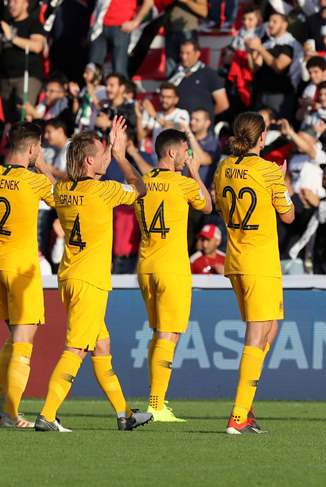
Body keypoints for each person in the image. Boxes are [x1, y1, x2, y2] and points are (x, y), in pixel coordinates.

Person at [35, 117, 153, 432]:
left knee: (102, 346)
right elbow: (141, 188)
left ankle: (124, 415)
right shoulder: (105, 191)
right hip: (91, 281)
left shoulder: (63, 191)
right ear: (90, 160)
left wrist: (41, 164)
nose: (106, 157)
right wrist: (121, 155)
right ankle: (47, 415)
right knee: (76, 348)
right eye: (102, 153)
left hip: (69, 277)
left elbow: (52, 185)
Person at [213, 112, 295, 434]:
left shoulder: (223, 168)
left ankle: (247, 405)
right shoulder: (268, 171)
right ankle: (237, 416)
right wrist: (282, 182)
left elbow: (219, 207)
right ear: (261, 138)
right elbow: (288, 215)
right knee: (257, 335)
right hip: (261, 262)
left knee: (270, 329)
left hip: (236, 259)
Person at [0, 122, 55, 428]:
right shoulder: (32, 180)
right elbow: (60, 198)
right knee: (25, 339)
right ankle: (11, 412)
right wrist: (43, 166)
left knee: (15, 334)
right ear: (33, 149)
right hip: (22, 268)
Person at [136, 129, 212, 422]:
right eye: (184, 150)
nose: (187, 155)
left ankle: (156, 399)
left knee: (159, 333)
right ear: (172, 153)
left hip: (146, 265)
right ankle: (156, 403)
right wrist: (195, 173)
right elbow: (207, 205)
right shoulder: (182, 184)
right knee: (170, 334)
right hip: (172, 267)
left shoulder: (142, 182)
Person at [0, 0, 44, 124]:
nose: (11, 5)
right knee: (10, 119)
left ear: (26, 4)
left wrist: (12, 38)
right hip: (6, 78)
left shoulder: (33, 23)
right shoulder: (5, 25)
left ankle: (26, 143)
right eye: (10, 2)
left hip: (26, 77)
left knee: (24, 116)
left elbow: (37, 46)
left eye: (16, 2)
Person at [89, 0, 154, 76]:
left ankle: (122, 87)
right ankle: (93, 87)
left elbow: (149, 2)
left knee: (119, 70)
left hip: (121, 28)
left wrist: (135, 22)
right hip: (99, 27)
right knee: (92, 69)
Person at [170, 40, 229, 118]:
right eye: (182, 53)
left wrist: (204, 119)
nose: (184, 57)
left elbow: (223, 104)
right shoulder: (175, 73)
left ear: (197, 54)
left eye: (188, 53)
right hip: (179, 124)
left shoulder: (209, 74)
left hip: (201, 128)